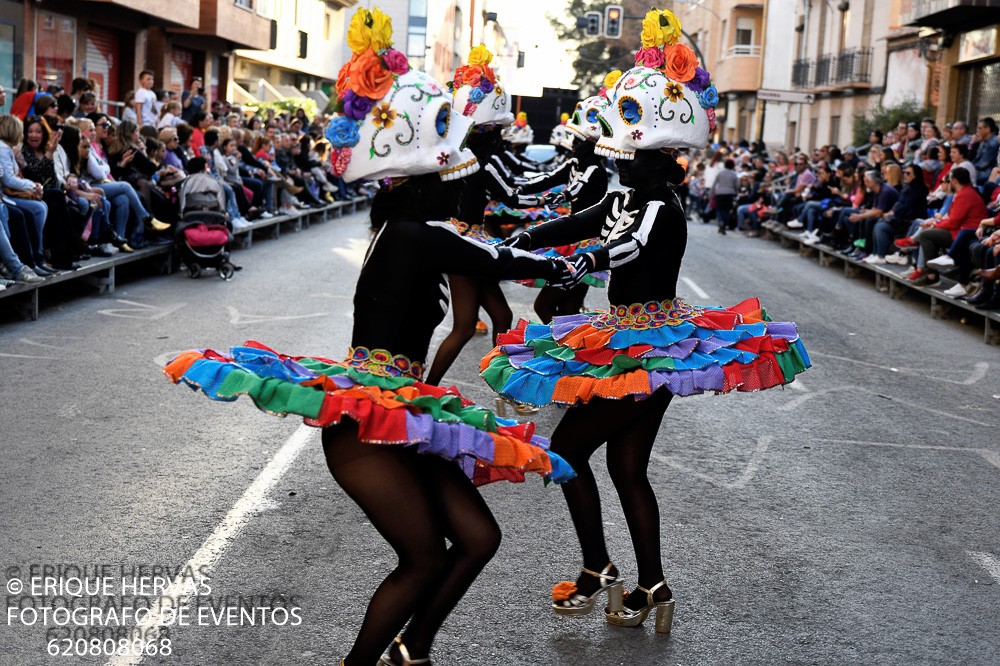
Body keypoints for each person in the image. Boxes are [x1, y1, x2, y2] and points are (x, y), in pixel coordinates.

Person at [163, 10, 576, 665]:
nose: (469, 181)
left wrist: (553, 248)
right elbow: (499, 257)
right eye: (460, 171)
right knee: (420, 560)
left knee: (476, 538)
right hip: (367, 426)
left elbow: (489, 247)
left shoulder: (411, 231)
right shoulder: (415, 234)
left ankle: (414, 649)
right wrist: (568, 261)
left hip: (402, 411)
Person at [485, 6, 809, 635]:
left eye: (631, 152)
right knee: (626, 467)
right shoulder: (628, 192)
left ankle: (596, 567)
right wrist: (523, 241)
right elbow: (585, 222)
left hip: (649, 347)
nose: (618, 158)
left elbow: (621, 248)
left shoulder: (662, 204)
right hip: (629, 339)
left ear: (658, 160)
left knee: (568, 449)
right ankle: (652, 584)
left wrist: (572, 263)